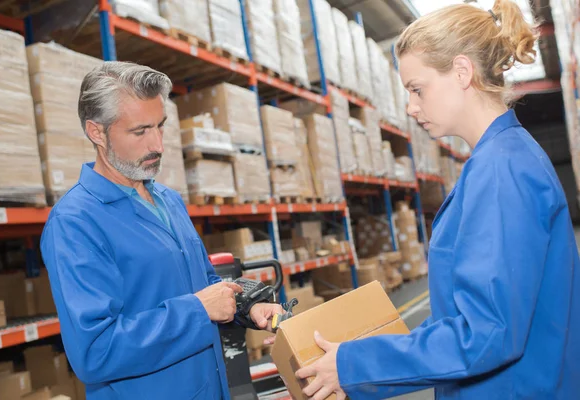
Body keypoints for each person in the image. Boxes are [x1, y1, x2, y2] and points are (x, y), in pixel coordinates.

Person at [295, 1, 580, 399]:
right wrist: (355, 371)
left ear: (462, 72)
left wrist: (352, 364)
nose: (411, 107)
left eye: (417, 89)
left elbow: (485, 333)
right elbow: (465, 315)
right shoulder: (497, 160)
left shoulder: (502, 171)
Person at [40, 61, 283, 400]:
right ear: (97, 132)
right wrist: (197, 310)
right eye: (140, 132)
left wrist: (246, 307)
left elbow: (204, 285)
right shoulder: (75, 223)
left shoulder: (167, 199)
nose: (157, 145)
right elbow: (96, 351)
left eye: (161, 126)